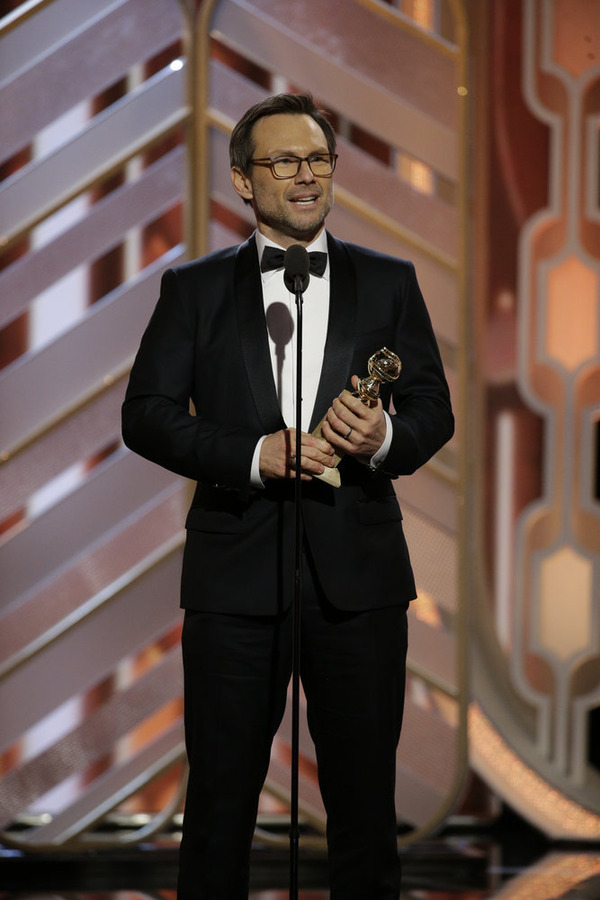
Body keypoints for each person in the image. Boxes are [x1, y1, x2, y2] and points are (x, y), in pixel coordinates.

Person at [122, 92, 454, 900]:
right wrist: (252, 454)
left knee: (365, 811)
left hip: (360, 581)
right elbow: (146, 415)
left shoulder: (389, 282)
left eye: (317, 159)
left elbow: (432, 409)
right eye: (283, 161)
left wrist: (377, 439)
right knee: (220, 809)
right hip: (234, 580)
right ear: (242, 178)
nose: (305, 177)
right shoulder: (192, 291)